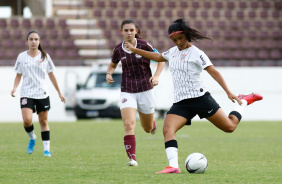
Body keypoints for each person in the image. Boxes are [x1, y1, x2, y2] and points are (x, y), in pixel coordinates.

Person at [124, 18, 263, 173]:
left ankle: (242, 102)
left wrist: (229, 92)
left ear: (186, 35)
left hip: (200, 99)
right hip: (181, 102)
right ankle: (173, 166)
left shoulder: (197, 53)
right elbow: (157, 57)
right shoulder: (172, 52)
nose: (178, 42)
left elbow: (213, 72)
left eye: (180, 39)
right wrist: (134, 50)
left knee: (230, 127)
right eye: (174, 40)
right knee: (167, 129)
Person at [106, 19, 165, 166]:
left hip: (146, 89)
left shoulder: (145, 45)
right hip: (127, 90)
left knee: (147, 128)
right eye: (126, 30)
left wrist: (156, 76)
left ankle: (152, 124)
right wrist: (109, 73)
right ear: (121, 32)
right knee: (128, 124)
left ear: (136, 31)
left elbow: (161, 60)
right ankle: (132, 158)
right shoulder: (118, 49)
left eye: (131, 30)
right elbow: (112, 65)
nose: (129, 33)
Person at [11, 30, 65, 157]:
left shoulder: (45, 57)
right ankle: (32, 138)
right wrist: (14, 88)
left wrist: (59, 92)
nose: (33, 41)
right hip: (27, 93)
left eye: (36, 39)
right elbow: (18, 75)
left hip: (42, 93)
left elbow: (51, 75)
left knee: (43, 121)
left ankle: (47, 150)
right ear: (27, 41)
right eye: (31, 39)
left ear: (39, 41)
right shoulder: (21, 57)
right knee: (27, 120)